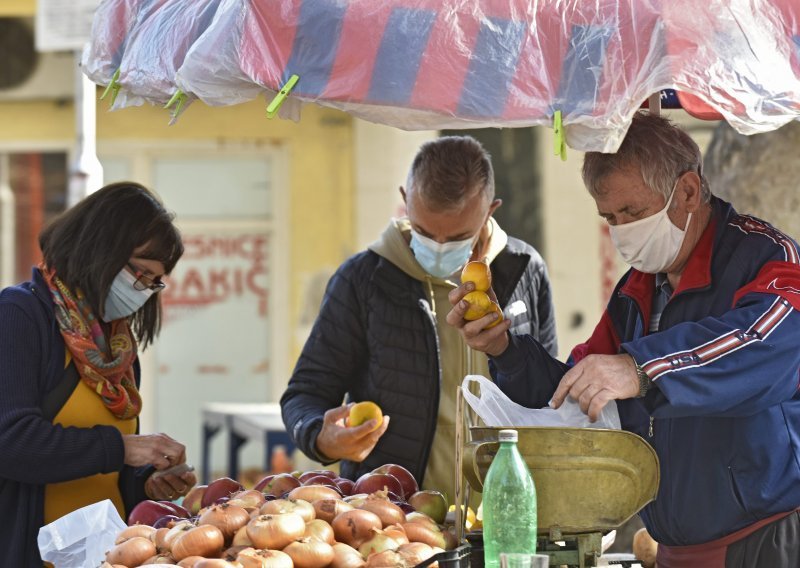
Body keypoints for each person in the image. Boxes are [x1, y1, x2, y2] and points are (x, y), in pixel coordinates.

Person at [447, 112, 800, 567]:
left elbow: (764, 346)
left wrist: (641, 368)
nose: (622, 230)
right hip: (670, 546)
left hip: (766, 542)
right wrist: (505, 349)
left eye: (633, 212)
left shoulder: (767, 257)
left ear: (688, 191)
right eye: (609, 217)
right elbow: (574, 395)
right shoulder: (637, 288)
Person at [281, 136, 557, 501]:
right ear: (405, 200)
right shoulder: (363, 280)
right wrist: (320, 436)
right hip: (393, 517)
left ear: (490, 210)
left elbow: (550, 398)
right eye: (425, 233)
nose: (439, 246)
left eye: (458, 236)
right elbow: (305, 393)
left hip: (504, 511)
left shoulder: (525, 270)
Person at [0, 182, 198, 566]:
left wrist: (145, 480)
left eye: (152, 282)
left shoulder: (117, 348)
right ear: (99, 247)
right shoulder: (19, 315)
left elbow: (105, 471)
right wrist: (121, 448)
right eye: (138, 272)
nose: (141, 291)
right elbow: (10, 441)